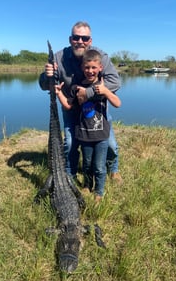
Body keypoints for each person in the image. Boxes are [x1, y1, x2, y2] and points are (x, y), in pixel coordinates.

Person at [39, 21, 122, 184]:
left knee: (110, 143)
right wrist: (46, 76)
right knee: (70, 143)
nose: (80, 41)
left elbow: (115, 82)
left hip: (96, 108)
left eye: (85, 38)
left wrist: (88, 93)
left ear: (90, 41)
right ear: (70, 39)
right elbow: (44, 86)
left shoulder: (100, 57)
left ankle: (113, 169)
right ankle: (71, 173)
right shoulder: (58, 57)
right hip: (71, 108)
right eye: (76, 37)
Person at [55, 49, 121, 202]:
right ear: (82, 68)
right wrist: (59, 93)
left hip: (101, 136)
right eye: (87, 67)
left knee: (99, 167)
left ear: (100, 68)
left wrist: (106, 91)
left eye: (93, 68)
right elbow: (68, 106)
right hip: (84, 135)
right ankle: (86, 185)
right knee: (86, 165)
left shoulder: (102, 85)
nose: (90, 71)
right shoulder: (77, 88)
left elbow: (117, 103)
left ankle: (99, 192)